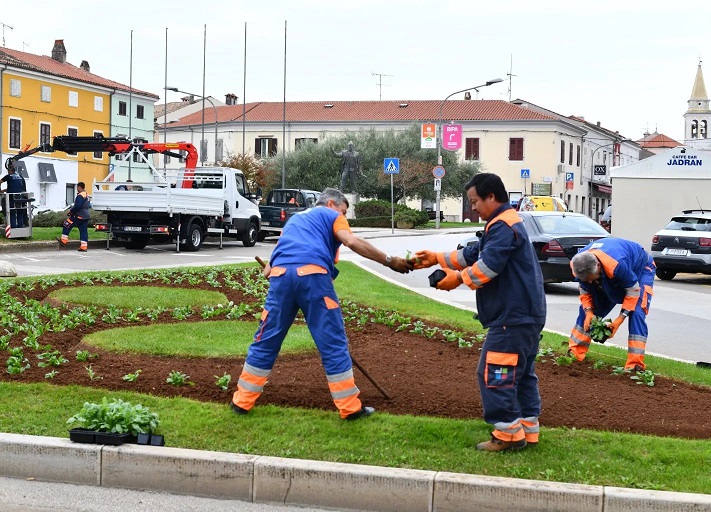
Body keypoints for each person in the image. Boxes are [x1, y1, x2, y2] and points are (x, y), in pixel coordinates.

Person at [231, 188, 412, 420]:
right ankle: (349, 407)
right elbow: (351, 241)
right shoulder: (332, 216)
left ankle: (242, 402)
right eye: (344, 211)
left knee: (265, 340)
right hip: (313, 277)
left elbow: (269, 267)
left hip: (281, 276)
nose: (345, 217)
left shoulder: (296, 220)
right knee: (333, 343)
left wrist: (277, 270)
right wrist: (389, 261)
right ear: (330, 204)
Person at [411, 173, 546, 452]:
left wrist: (456, 279)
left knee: (494, 373)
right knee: (520, 375)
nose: (473, 207)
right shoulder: (502, 224)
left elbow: (488, 267)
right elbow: (473, 255)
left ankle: (508, 434)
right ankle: (528, 429)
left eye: (475, 201)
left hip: (512, 317)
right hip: (525, 316)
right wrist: (436, 258)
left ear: (491, 197)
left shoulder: (503, 227)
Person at [567, 238, 655, 371]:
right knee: (587, 312)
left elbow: (633, 290)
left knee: (637, 313)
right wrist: (589, 312)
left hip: (641, 268)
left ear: (598, 266)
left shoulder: (617, 264)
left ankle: (635, 365)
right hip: (612, 272)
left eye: (592, 278)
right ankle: (575, 353)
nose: (590, 283)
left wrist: (618, 321)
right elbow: (584, 288)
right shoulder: (578, 263)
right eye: (587, 280)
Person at [57, 182, 92, 252]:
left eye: (77, 188)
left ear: (79, 187)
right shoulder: (87, 195)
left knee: (67, 224)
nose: (76, 189)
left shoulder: (80, 196)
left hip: (79, 216)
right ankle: (84, 247)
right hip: (85, 216)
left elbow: (78, 206)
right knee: (83, 231)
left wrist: (71, 211)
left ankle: (63, 241)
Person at [0, 162, 28, 228]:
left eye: (8, 171)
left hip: (11, 197)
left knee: (11, 211)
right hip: (20, 197)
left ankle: (13, 226)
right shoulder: (20, 176)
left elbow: (0, 181)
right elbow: (15, 187)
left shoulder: (9, 176)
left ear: (9, 171)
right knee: (19, 211)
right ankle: (20, 225)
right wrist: (3, 190)